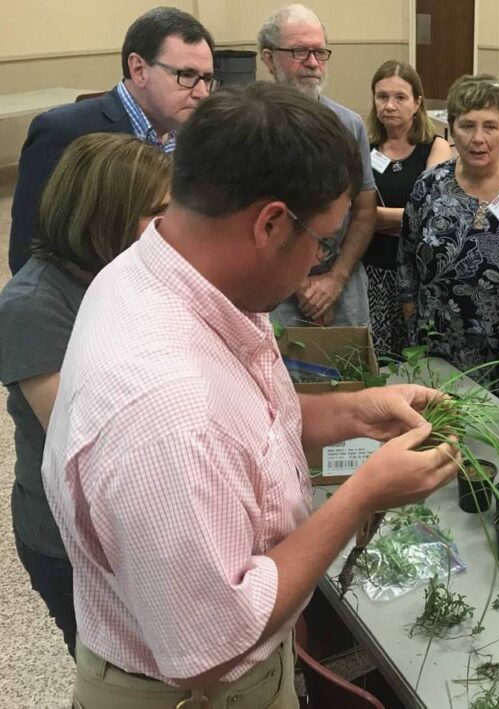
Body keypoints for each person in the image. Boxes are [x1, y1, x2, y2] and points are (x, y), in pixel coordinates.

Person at [41, 83, 459, 706]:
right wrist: (365, 493)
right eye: (321, 240)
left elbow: (250, 425)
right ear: (269, 223)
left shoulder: (177, 271)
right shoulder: (167, 413)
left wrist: (349, 411)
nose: (320, 258)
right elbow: (213, 647)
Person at [0, 134, 170, 657]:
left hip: (133, 522)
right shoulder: (32, 306)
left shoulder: (124, 271)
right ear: (105, 217)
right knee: (114, 665)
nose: (171, 227)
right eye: (156, 213)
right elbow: (90, 443)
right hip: (68, 539)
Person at [8, 7, 214, 275]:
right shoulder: (66, 131)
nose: (202, 93)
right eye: (186, 76)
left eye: (207, 79)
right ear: (138, 69)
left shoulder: (196, 135)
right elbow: (28, 250)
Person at [397, 75, 499, 390]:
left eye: (490, 126)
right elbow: (407, 251)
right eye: (467, 126)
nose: (478, 138)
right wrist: (411, 313)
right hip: (435, 336)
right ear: (451, 128)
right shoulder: (430, 185)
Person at [259, 3, 377, 326]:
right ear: (268, 58)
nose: (312, 63)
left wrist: (335, 281)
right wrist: (300, 285)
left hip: (342, 283)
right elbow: (245, 218)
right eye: (299, 51)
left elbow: (365, 211)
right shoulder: (251, 129)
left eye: (320, 52)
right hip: (274, 289)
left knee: (354, 373)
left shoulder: (350, 126)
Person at [366, 60, 450, 358]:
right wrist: (405, 217)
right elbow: (353, 213)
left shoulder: (437, 147)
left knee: (419, 359)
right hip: (372, 270)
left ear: (417, 103)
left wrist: (375, 218)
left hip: (418, 276)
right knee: (379, 360)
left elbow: (434, 217)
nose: (389, 105)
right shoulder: (364, 146)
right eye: (382, 96)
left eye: (400, 97)